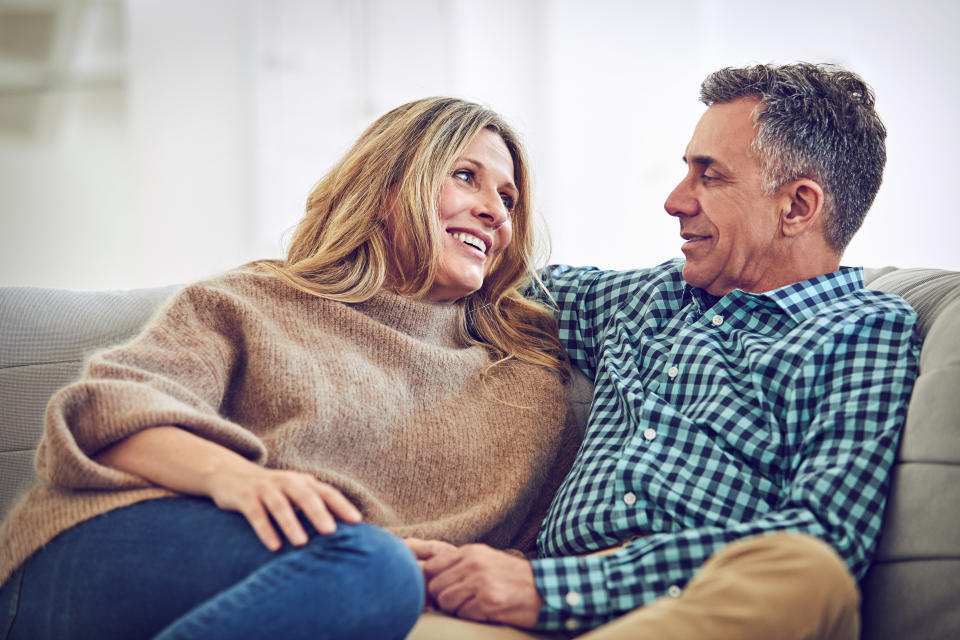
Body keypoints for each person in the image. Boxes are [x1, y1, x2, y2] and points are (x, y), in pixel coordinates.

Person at [0, 97, 583, 640]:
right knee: (371, 569)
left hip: (335, 584)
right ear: (386, 189)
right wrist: (240, 479)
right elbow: (109, 411)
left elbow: (534, 548)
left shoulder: (526, 383)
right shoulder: (257, 298)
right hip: (116, 548)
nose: (493, 212)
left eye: (508, 200)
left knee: (372, 573)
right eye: (465, 176)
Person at [407, 63, 920, 639]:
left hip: (692, 608)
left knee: (807, 572)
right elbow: (480, 273)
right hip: (528, 610)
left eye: (711, 176)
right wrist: (312, 278)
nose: (676, 201)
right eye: (686, 171)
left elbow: (825, 533)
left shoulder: (859, 330)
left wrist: (553, 589)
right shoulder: (646, 297)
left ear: (797, 207)